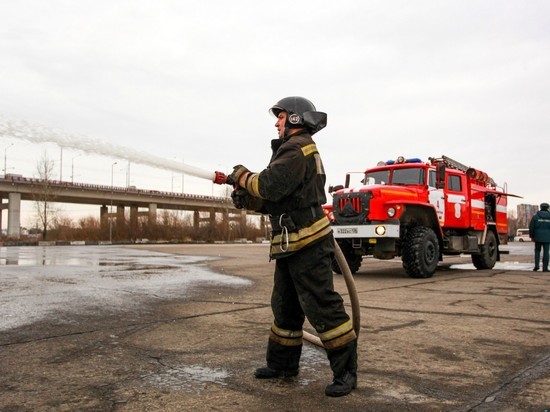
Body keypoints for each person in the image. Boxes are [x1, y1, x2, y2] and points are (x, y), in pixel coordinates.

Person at [227, 96, 358, 397]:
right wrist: (245, 198)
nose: (276, 122)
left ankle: (346, 373)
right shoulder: (290, 151)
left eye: (281, 117)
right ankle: (283, 365)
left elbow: (269, 185)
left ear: (296, 119)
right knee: (285, 307)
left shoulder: (297, 149)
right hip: (290, 244)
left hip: (309, 243)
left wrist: (241, 176)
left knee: (321, 307)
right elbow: (277, 197)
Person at [529, 202, 550, 272]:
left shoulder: (535, 216)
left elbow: (531, 227)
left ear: (540, 207)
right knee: (546, 252)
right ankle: (545, 268)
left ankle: (536, 266)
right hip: (547, 238)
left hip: (537, 237)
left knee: (537, 251)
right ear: (548, 208)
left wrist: (532, 236)